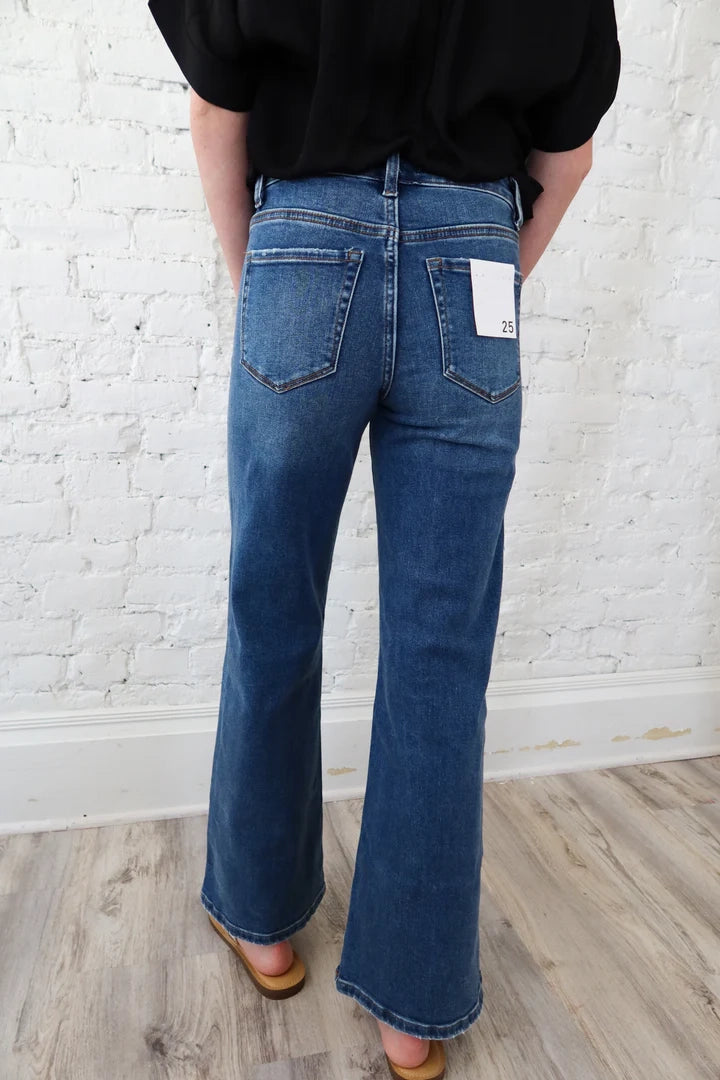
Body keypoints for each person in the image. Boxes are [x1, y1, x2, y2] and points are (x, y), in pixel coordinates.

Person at [147, 2, 621, 1077]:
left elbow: (217, 111)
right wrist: (490, 268)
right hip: (474, 259)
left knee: (273, 607)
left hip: (303, 249)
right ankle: (414, 1010)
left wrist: (257, 278)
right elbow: (571, 156)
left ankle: (262, 919)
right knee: (442, 656)